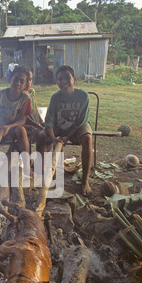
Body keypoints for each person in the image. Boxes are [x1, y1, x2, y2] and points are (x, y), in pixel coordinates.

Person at [36, 65, 93, 197]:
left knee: (87, 138)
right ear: (57, 82)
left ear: (75, 79)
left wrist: (67, 137)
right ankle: (43, 176)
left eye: (67, 77)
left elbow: (80, 121)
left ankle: (85, 181)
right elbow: (49, 121)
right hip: (58, 127)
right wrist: (53, 138)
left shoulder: (83, 96)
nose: (64, 81)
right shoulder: (55, 97)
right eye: (60, 79)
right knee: (40, 137)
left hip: (77, 127)